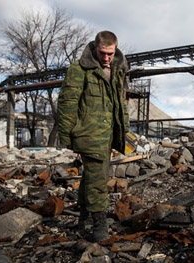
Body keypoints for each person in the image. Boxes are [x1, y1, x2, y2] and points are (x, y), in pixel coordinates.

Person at [57, 30, 130, 242]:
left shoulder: (116, 70)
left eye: (110, 53)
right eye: (102, 53)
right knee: (98, 180)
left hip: (107, 135)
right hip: (89, 134)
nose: (106, 57)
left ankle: (83, 218)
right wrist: (67, 136)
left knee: (91, 176)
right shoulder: (79, 69)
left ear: (115, 50)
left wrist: (123, 130)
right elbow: (67, 103)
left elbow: (120, 102)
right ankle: (99, 225)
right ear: (94, 48)